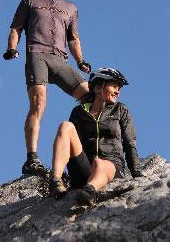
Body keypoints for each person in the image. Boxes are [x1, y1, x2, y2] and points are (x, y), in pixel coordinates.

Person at [4, 0, 93, 175]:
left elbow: (73, 38)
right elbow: (16, 28)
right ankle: (31, 159)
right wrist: (11, 48)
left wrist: (80, 61)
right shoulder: (29, 1)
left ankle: (83, 144)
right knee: (39, 104)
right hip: (37, 54)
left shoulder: (70, 8)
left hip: (60, 59)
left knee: (91, 97)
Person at [46, 68, 143, 205]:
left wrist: (136, 173)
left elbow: (130, 142)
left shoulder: (120, 110)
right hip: (84, 168)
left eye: (119, 88)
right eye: (114, 86)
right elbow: (70, 146)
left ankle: (90, 191)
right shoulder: (79, 112)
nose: (118, 91)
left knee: (99, 163)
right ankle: (56, 180)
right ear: (98, 88)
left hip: (111, 166)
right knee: (65, 126)